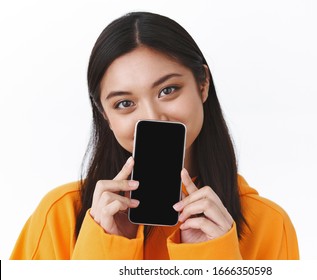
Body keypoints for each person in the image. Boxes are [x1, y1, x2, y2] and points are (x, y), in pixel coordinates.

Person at [10, 11, 299, 260]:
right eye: (125, 103)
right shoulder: (60, 214)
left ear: (203, 84)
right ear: (105, 117)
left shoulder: (269, 225)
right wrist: (103, 249)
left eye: (168, 90)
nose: (151, 117)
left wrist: (212, 261)